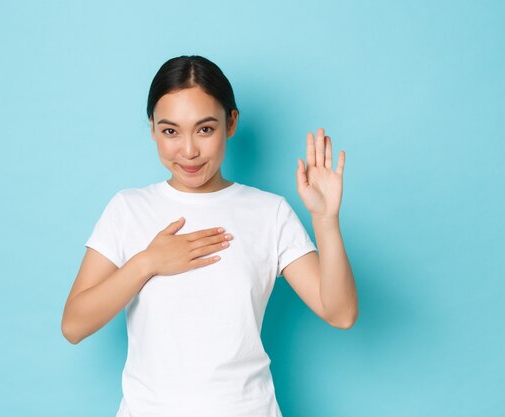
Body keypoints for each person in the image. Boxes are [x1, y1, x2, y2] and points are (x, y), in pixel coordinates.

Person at [61, 55, 358, 417]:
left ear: (230, 123)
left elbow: (340, 313)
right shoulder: (128, 209)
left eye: (205, 129)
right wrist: (147, 263)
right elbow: (74, 325)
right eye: (170, 131)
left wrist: (325, 219)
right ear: (153, 128)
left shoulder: (269, 212)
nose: (188, 151)